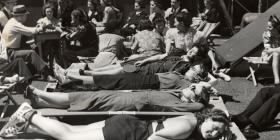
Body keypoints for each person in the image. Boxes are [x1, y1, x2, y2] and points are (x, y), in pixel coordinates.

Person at [0, 103, 230, 140]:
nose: (213, 134)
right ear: (207, 117)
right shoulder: (189, 126)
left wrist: (225, 133)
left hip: (128, 125)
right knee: (69, 137)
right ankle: (29, 114)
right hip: (129, 133)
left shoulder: (191, 119)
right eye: (214, 128)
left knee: (71, 129)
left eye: (217, 135)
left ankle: (24, 128)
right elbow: (155, 138)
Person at [26, 82, 213, 112]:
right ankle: (40, 101)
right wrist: (199, 89)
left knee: (88, 98)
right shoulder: (179, 94)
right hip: (127, 97)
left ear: (194, 99)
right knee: (88, 97)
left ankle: (37, 93)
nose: (190, 85)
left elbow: (200, 107)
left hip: (128, 103)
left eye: (193, 88)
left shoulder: (183, 104)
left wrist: (203, 102)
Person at [1, 5, 54, 80]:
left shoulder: (12, 21)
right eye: (25, 15)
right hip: (10, 52)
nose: (26, 17)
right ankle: (47, 74)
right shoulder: (15, 24)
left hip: (12, 49)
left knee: (34, 48)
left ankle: (40, 72)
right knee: (31, 53)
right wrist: (41, 27)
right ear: (20, 16)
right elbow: (30, 31)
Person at [37, 2, 62, 69]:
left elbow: (60, 29)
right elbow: (38, 30)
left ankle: (50, 64)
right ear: (45, 12)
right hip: (44, 43)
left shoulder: (57, 21)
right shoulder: (41, 21)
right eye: (47, 12)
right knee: (50, 45)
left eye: (51, 11)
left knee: (52, 45)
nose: (49, 13)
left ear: (53, 12)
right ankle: (49, 64)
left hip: (56, 43)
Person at [261, 15, 280, 84]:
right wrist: (274, 50)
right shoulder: (266, 35)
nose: (267, 28)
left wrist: (273, 49)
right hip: (269, 55)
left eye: (270, 27)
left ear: (276, 28)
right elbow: (268, 50)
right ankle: (277, 80)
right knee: (276, 54)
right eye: (267, 26)